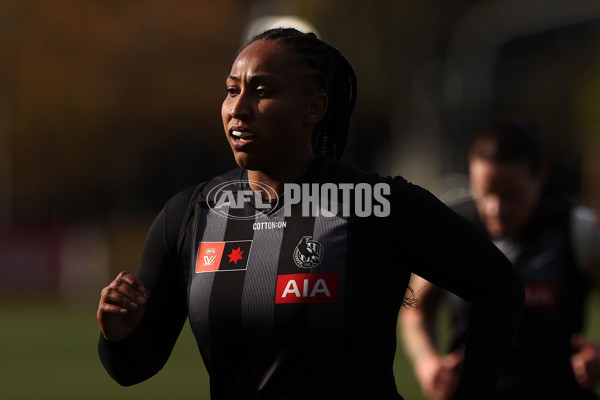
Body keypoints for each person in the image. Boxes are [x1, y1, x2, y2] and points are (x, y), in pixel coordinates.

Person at [97, 28, 524, 400]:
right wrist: (117, 333)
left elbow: (498, 287)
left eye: (262, 91)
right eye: (232, 90)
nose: (238, 108)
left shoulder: (378, 203)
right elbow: (134, 369)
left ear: (314, 109)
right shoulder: (189, 215)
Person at [400, 120, 600, 400]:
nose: (496, 208)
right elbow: (417, 309)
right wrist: (427, 363)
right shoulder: (450, 228)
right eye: (486, 192)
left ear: (540, 177)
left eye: (511, 196)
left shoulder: (579, 229)